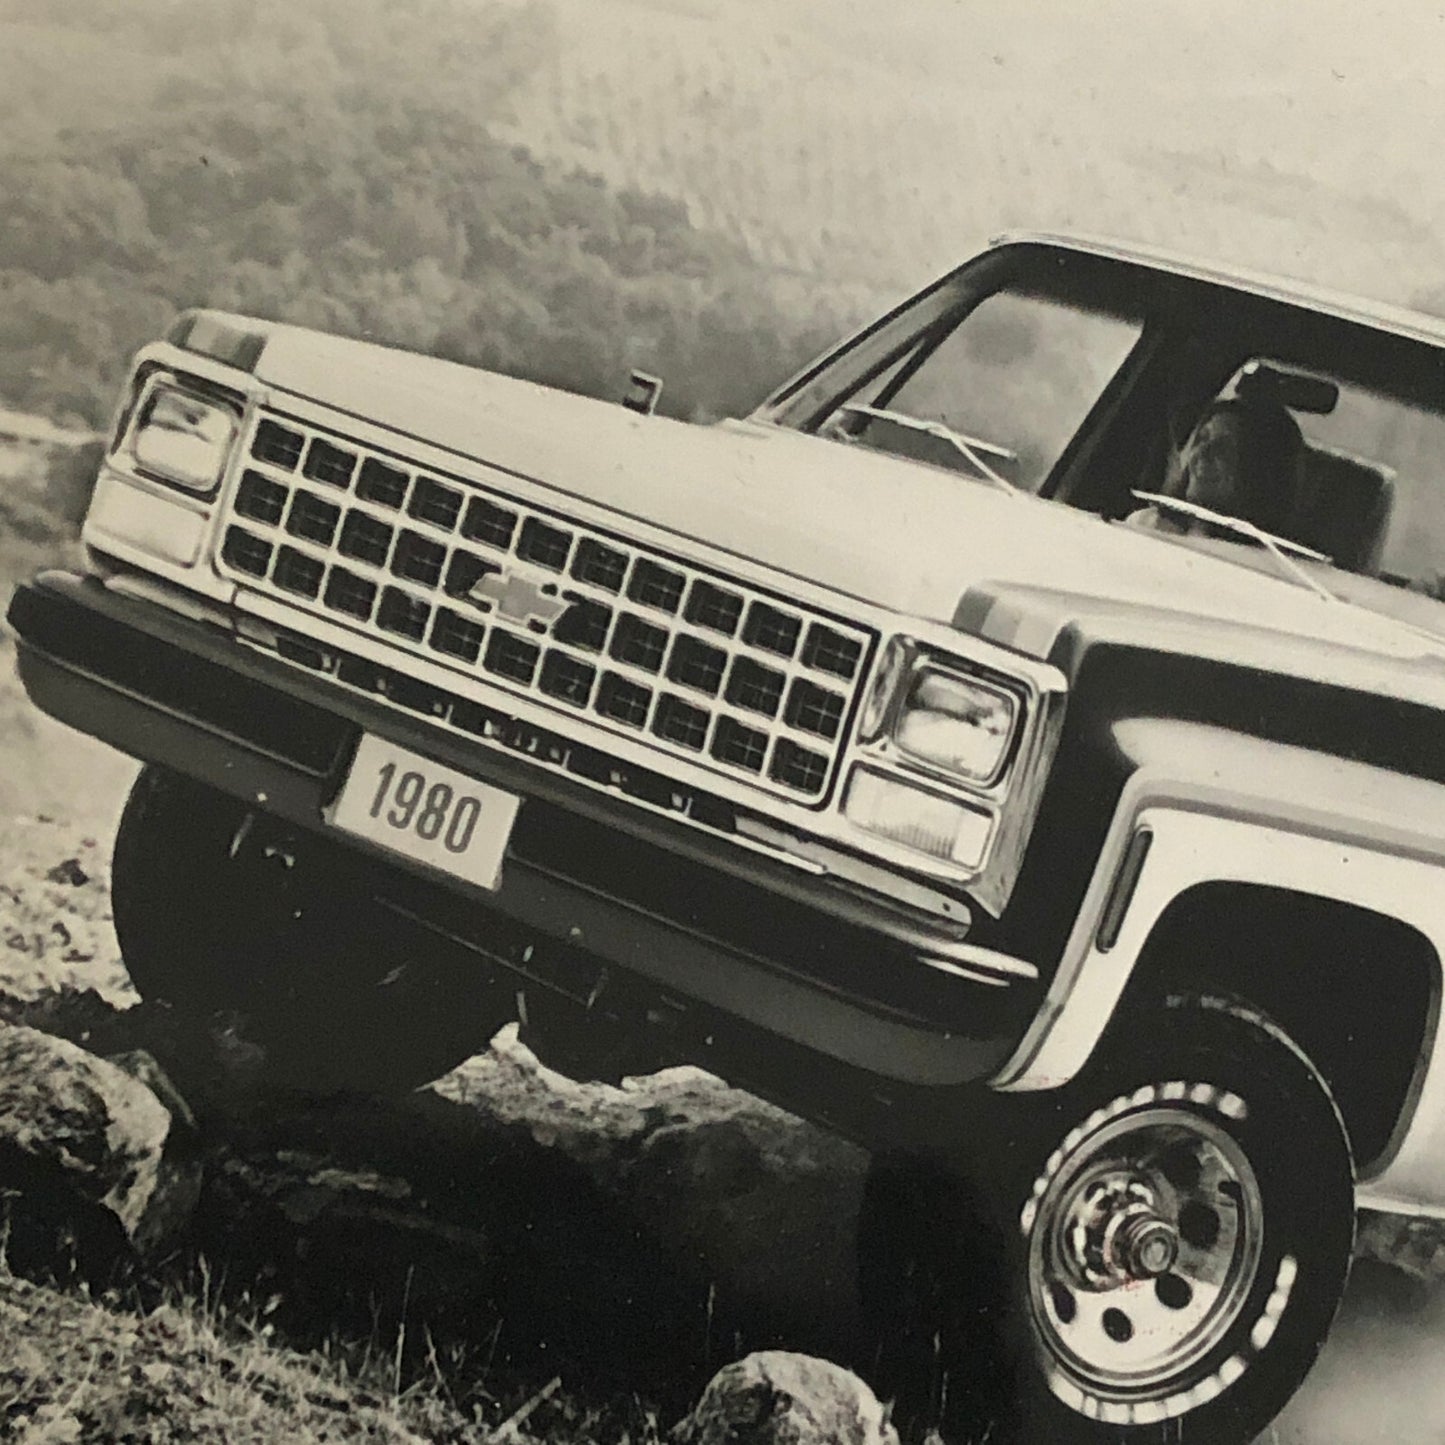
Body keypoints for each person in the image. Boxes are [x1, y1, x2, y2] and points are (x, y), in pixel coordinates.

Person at [1125, 391, 1304, 538]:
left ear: (1259, 474)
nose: (1202, 453)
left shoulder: (1275, 567)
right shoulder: (1145, 526)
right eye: (1201, 439)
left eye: (1224, 448)